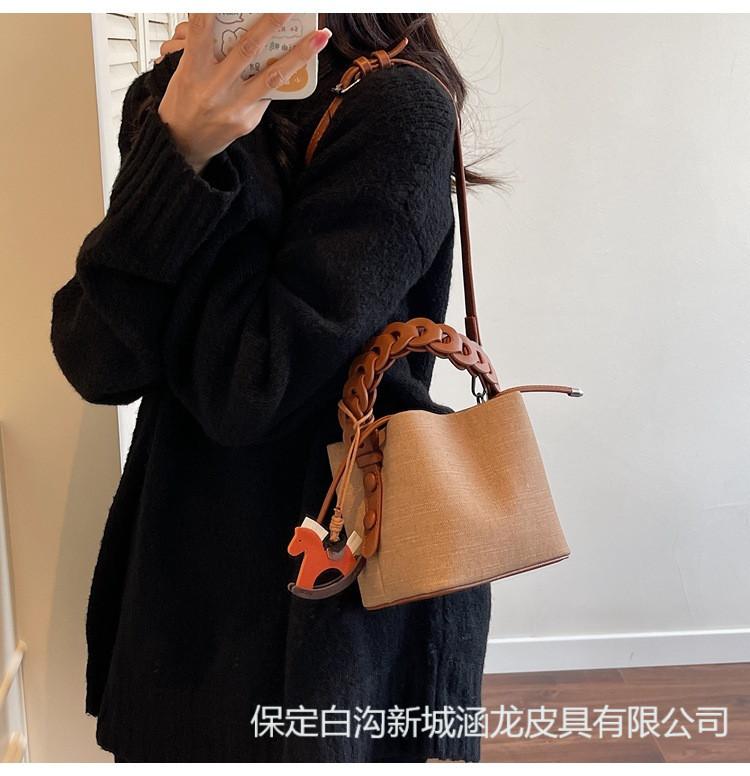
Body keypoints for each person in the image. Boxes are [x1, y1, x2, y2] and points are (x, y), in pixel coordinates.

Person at [50, 12, 502, 763]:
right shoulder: (176, 102)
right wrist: (178, 145)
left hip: (328, 591)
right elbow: (95, 361)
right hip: (178, 587)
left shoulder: (397, 108)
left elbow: (248, 385)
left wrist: (224, 145)